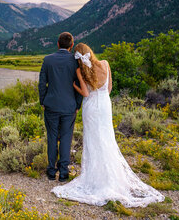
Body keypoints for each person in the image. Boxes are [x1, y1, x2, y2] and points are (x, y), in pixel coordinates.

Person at [51, 43, 165, 207]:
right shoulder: (105, 63)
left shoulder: (80, 71)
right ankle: (113, 177)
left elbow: (85, 93)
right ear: (90, 52)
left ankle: (96, 178)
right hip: (105, 105)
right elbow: (109, 88)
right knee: (106, 138)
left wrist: (74, 85)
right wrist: (101, 95)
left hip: (90, 107)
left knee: (93, 141)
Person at [38, 32, 83, 182]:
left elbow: (42, 84)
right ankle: (63, 173)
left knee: (51, 137)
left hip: (51, 105)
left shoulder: (48, 60)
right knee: (66, 138)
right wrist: (77, 104)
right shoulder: (76, 61)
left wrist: (43, 101)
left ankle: (51, 171)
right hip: (69, 107)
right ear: (71, 45)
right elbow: (79, 84)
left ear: (57, 44)